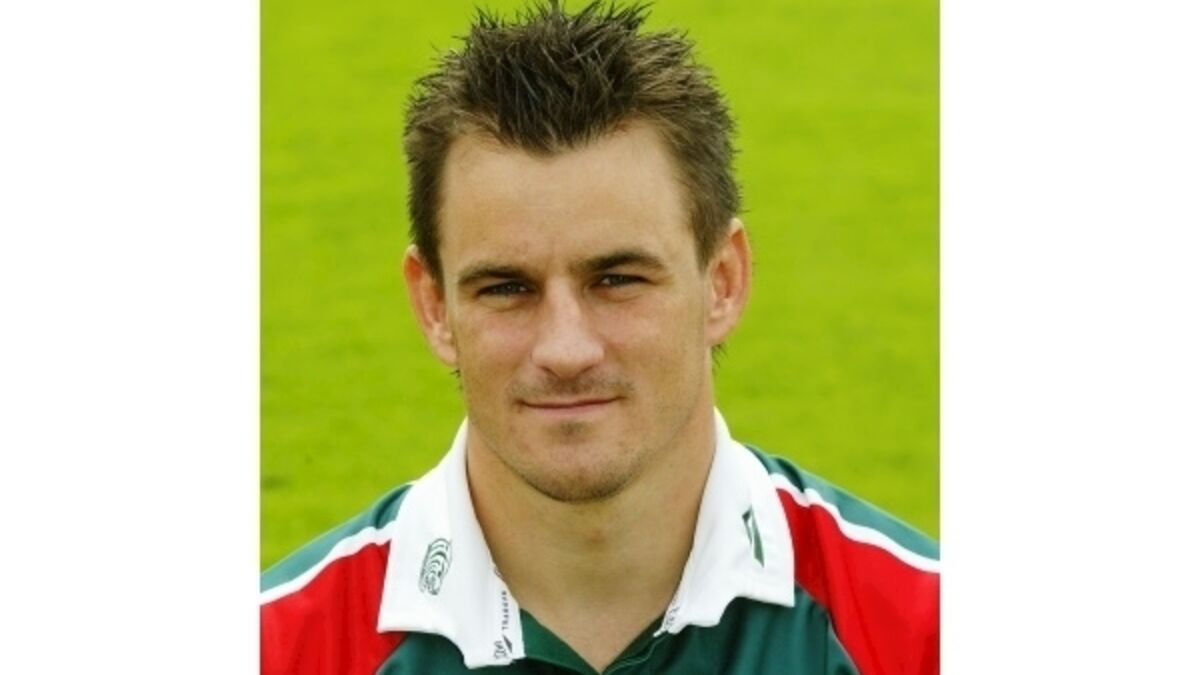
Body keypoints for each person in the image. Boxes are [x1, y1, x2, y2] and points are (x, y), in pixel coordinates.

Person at [259, 2, 939, 673]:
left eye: (617, 279)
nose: (566, 350)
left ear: (723, 282)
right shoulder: (276, 648)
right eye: (506, 288)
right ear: (434, 304)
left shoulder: (926, 633)